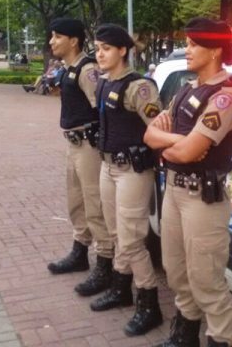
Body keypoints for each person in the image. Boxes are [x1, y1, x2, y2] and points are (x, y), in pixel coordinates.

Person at [145, 18, 232, 347]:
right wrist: (178, 142)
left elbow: (189, 151)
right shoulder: (187, 89)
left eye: (193, 44)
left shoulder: (225, 97)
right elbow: (149, 135)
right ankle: (185, 337)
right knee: (176, 271)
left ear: (214, 50)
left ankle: (220, 339)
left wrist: (174, 144)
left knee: (207, 281)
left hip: (203, 199)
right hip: (172, 191)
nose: (186, 50)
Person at [88, 24, 163, 335]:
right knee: (116, 232)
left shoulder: (138, 87)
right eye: (97, 49)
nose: (100, 54)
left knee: (132, 239)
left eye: (106, 48)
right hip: (108, 167)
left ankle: (150, 304)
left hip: (132, 170)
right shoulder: (104, 84)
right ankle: (121, 289)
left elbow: (159, 127)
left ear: (122, 50)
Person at [46, 18, 114, 298]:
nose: (52, 42)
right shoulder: (68, 69)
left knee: (93, 203)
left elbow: (103, 110)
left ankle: (105, 264)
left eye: (57, 37)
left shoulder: (88, 70)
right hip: (73, 144)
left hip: (88, 145)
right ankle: (79, 250)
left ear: (73, 40)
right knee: (75, 201)